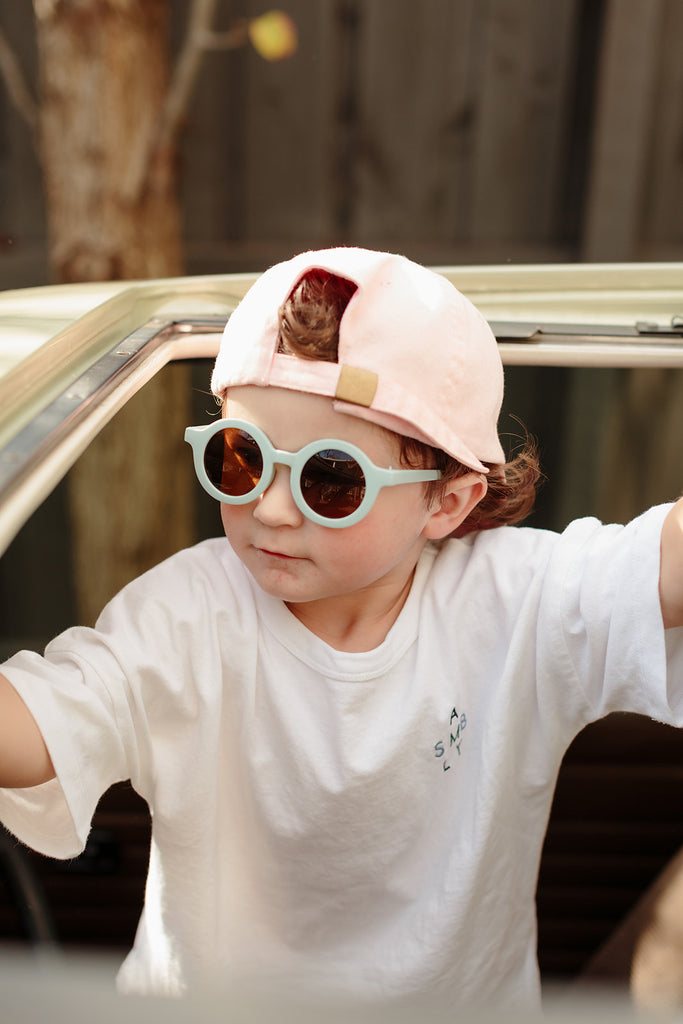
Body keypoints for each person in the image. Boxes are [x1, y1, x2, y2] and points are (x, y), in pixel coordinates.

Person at [0, 248, 681, 1012]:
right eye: (241, 458)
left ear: (446, 504)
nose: (271, 508)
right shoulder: (189, 612)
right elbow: (43, 722)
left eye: (331, 478)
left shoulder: (519, 597)